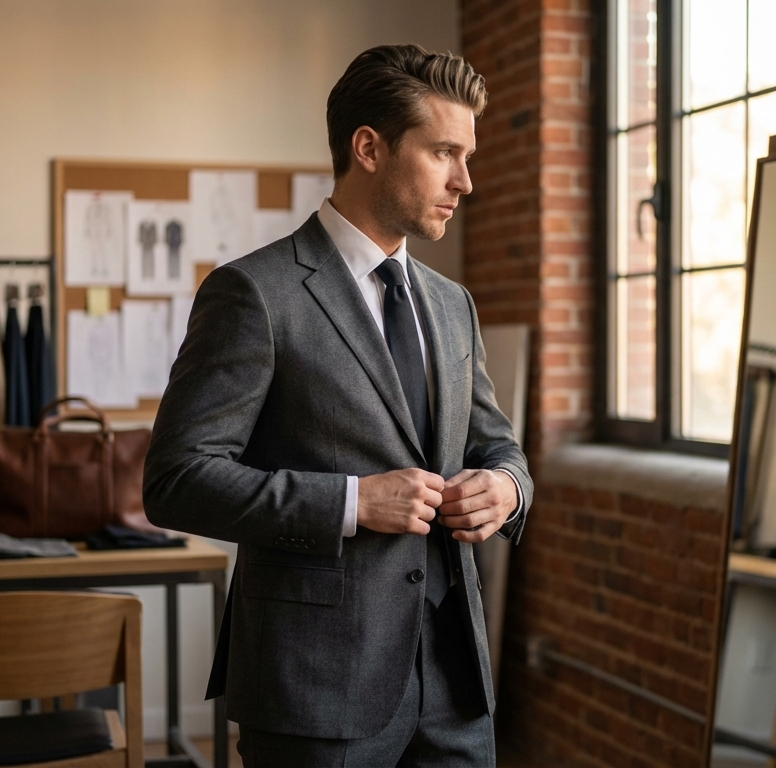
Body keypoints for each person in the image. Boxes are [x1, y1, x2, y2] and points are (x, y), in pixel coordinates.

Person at [143, 44, 532, 767]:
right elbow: (175, 480)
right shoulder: (255, 294)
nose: (466, 181)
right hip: (316, 690)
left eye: (467, 156)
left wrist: (505, 489)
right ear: (369, 148)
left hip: (456, 687)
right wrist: (353, 503)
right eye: (445, 152)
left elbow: (500, 448)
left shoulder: (454, 307)